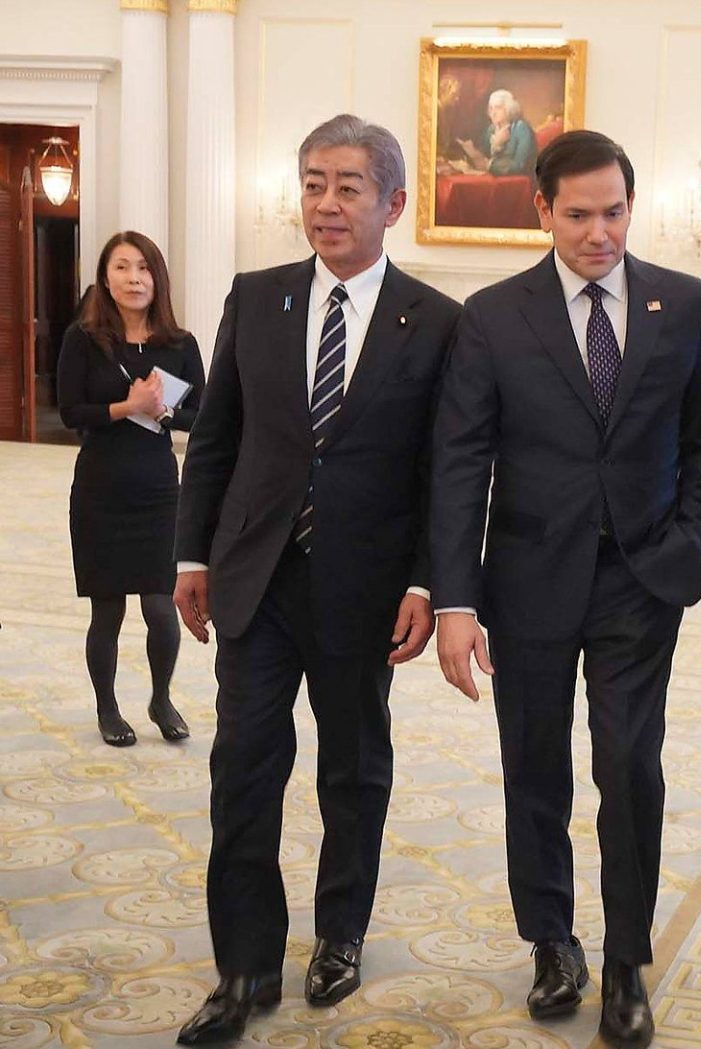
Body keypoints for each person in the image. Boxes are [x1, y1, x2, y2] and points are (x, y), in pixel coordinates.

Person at [432, 129, 701, 1047]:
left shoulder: (685, 302)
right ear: (542, 210)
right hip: (527, 579)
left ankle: (627, 959)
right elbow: (461, 460)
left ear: (631, 207)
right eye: (578, 215)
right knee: (535, 764)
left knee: (630, 766)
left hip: (641, 578)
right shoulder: (493, 315)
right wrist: (454, 601)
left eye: (614, 212)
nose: (599, 233)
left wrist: (689, 541)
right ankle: (552, 942)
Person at [171, 114, 461, 1045]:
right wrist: (191, 554)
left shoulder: (436, 319)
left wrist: (427, 582)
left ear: (393, 202)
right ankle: (244, 964)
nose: (326, 204)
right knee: (243, 768)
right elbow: (217, 436)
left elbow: (443, 470)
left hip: (363, 588)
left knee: (353, 768)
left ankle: (341, 931)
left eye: (348, 186)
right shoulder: (256, 297)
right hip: (256, 576)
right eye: (313, 184)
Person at [57, 231, 204, 747]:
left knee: (161, 606)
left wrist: (161, 412)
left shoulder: (180, 345)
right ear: (105, 277)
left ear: (157, 278)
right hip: (100, 488)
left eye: (143, 268)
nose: (133, 278)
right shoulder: (84, 339)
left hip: (159, 490)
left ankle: (161, 699)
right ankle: (108, 709)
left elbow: (203, 416)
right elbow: (71, 412)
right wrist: (128, 406)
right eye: (121, 267)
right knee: (108, 610)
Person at [459, 88, 537, 176]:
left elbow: (520, 165)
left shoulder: (521, 128)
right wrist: (473, 153)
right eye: (491, 108)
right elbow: (482, 158)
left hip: (521, 181)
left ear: (509, 109)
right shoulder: (491, 130)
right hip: (496, 180)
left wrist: (490, 165)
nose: (493, 113)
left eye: (498, 108)